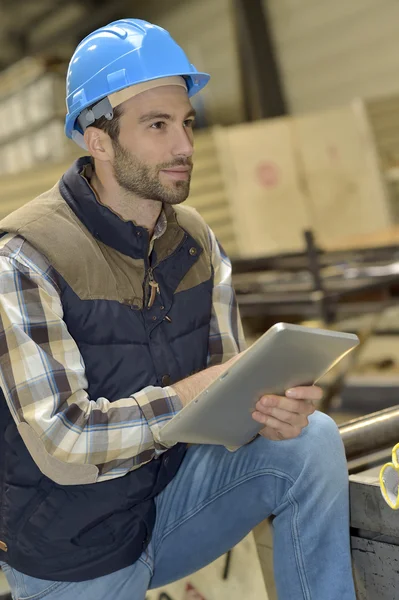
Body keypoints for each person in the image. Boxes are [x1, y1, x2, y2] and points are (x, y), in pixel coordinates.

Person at [0, 19, 355, 600]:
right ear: (99, 140)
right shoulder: (26, 258)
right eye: (158, 126)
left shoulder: (192, 241)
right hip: (75, 545)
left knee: (310, 442)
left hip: (168, 502)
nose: (185, 146)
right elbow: (63, 443)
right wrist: (193, 394)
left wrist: (266, 411)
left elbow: (225, 400)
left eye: (186, 123)